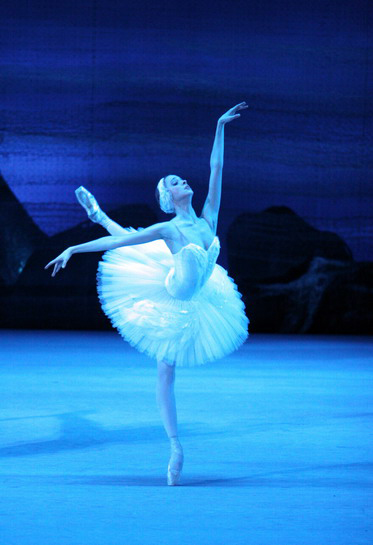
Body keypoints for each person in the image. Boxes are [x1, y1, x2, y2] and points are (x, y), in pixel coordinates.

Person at [45, 102, 250, 486]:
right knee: (164, 368)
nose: (183, 182)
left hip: (202, 296)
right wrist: (73, 248)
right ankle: (175, 447)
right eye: (174, 182)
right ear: (167, 197)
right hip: (171, 293)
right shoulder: (168, 228)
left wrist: (220, 125)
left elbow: (216, 169)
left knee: (141, 249)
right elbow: (118, 243)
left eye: (181, 179)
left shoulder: (208, 218)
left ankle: (99, 213)